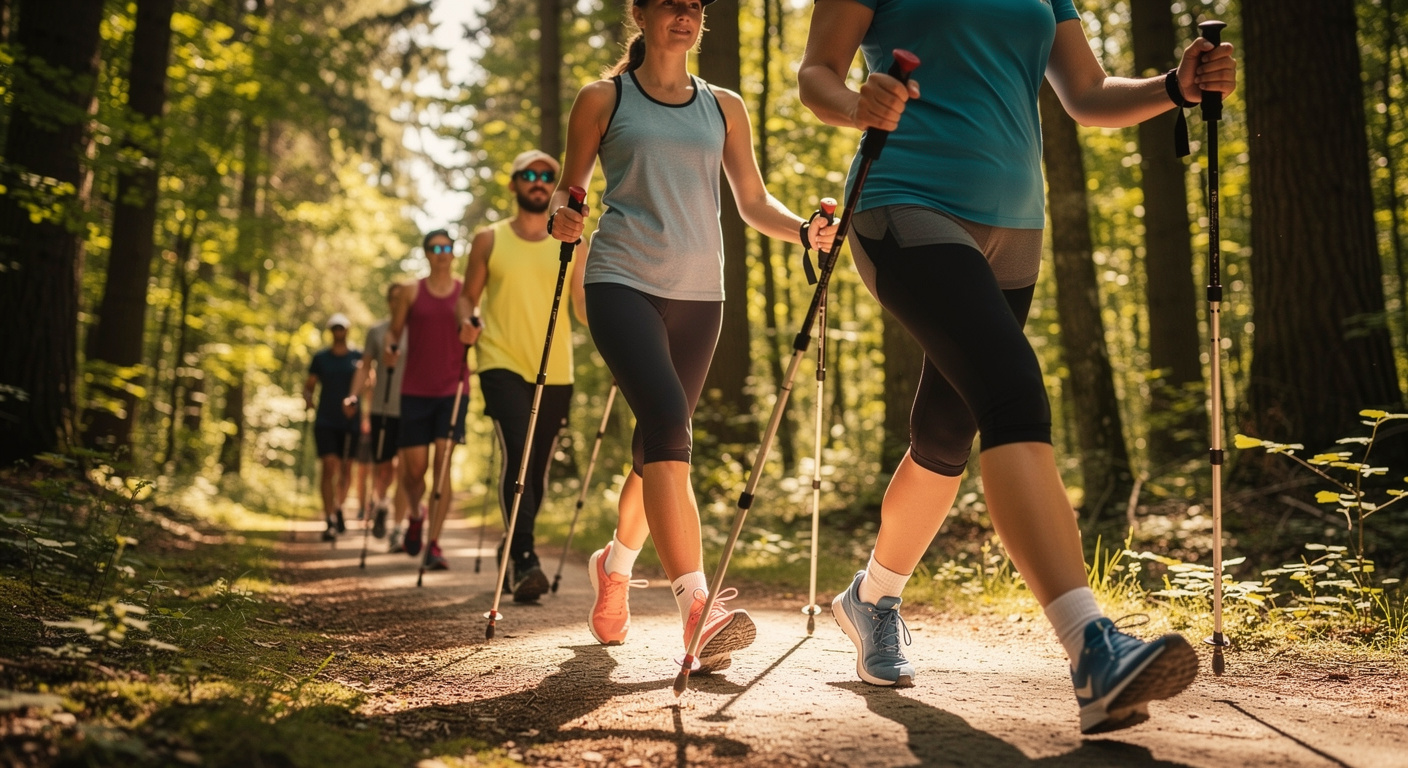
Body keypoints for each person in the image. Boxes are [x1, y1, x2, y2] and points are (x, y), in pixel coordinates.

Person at [797, 0, 1237, 733]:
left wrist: (1174, 87)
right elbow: (817, 73)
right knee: (1013, 398)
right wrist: (855, 104)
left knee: (947, 431)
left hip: (1014, 223)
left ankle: (870, 598)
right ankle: (1092, 649)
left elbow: (1087, 93)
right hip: (904, 199)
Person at [548, 0, 836, 672]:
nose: (685, 14)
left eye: (696, 5)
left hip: (701, 296)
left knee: (656, 447)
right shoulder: (603, 99)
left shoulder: (724, 106)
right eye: (671, 3)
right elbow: (569, 190)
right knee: (670, 429)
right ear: (640, 13)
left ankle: (615, 566)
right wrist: (564, 215)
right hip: (620, 282)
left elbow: (753, 201)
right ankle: (697, 610)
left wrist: (804, 230)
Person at [457, 149, 588, 603]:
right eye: (528, 174)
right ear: (513, 184)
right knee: (519, 451)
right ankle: (526, 557)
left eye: (547, 176)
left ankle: (511, 548)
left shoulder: (573, 242)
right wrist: (468, 320)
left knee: (538, 467)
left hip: (555, 369)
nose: (538, 181)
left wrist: (621, 329)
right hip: (501, 362)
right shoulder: (488, 239)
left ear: (554, 187)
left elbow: (583, 306)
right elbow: (468, 298)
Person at [386, 230, 472, 571]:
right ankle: (414, 514)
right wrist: (390, 349)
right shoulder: (410, 291)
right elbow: (394, 332)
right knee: (414, 471)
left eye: (447, 247)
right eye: (435, 248)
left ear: (454, 253)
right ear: (426, 254)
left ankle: (434, 543)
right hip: (415, 391)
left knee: (442, 465)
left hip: (454, 389)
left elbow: (474, 327)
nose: (442, 252)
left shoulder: (465, 291)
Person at [348, 284, 411, 550]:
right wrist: (353, 396)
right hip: (381, 410)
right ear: (388, 302)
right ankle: (382, 504)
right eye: (393, 299)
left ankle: (398, 528)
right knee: (384, 467)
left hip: (411, 408)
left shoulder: (417, 330)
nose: (398, 303)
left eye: (402, 299)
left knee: (405, 469)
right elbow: (365, 367)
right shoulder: (376, 331)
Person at [303, 313, 363, 542]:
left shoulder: (358, 356)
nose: (338, 331)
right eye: (335, 327)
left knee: (346, 470)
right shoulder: (321, 358)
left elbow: (369, 381)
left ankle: (339, 506)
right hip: (326, 420)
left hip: (350, 421)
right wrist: (308, 398)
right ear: (330, 331)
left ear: (347, 330)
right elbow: (309, 385)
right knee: (329, 466)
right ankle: (329, 519)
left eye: (342, 327)